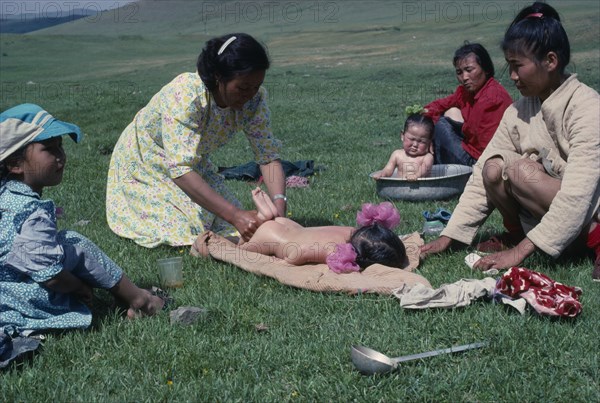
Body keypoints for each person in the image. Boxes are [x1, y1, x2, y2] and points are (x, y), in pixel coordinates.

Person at [420, 3, 600, 280]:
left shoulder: (586, 106)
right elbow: (481, 174)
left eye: (518, 66)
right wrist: (450, 235)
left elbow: (579, 193)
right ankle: (517, 236)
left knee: (518, 171)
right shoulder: (518, 110)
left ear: (550, 61)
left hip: (589, 218)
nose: (512, 76)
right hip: (551, 213)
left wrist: (520, 254)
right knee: (493, 167)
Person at [106, 33, 286, 248]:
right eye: (243, 87)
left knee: (225, 225)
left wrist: (280, 208)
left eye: (256, 86)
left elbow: (267, 158)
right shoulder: (186, 95)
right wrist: (236, 215)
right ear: (219, 76)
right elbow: (181, 169)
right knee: (186, 230)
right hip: (148, 158)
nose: (250, 94)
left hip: (191, 161)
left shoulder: (255, 101)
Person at [0, 104, 165, 336]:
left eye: (60, 146)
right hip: (24, 302)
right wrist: (78, 287)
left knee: (63, 243)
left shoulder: (6, 198)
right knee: (75, 244)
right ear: (15, 165)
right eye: (49, 149)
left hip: (7, 294)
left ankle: (124, 295)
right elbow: (49, 273)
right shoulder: (30, 211)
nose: (60, 156)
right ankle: (139, 300)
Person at [194, 188, 408, 273]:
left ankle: (266, 216)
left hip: (286, 225)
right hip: (272, 238)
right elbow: (302, 252)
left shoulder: (354, 231)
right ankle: (258, 223)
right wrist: (284, 263)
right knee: (242, 249)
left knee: (277, 228)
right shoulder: (336, 249)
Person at [424, 42, 513, 166]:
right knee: (447, 113)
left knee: (440, 125)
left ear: (485, 69)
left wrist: (427, 129)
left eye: (469, 70)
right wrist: (425, 116)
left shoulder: (492, 98)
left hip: (482, 161)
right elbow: (441, 104)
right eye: (459, 72)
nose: (464, 77)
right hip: (472, 148)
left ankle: (437, 169)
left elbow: (488, 150)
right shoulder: (466, 92)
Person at [373, 113, 434, 180]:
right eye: (411, 139)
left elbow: (425, 169)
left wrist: (416, 175)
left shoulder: (427, 157)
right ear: (402, 136)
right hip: (400, 188)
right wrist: (382, 174)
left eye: (422, 141)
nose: (415, 144)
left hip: (423, 189)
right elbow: (388, 170)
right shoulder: (397, 154)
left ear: (429, 143)